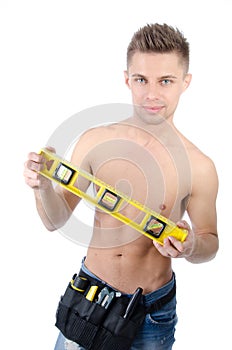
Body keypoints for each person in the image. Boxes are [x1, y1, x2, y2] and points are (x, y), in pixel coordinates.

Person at [24, 23, 219, 350]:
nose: (152, 94)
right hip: (89, 297)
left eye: (165, 81)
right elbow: (54, 220)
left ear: (185, 83)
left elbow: (210, 243)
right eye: (141, 80)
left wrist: (190, 246)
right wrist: (42, 187)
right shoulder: (95, 141)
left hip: (150, 314)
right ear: (127, 78)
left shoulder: (199, 167)